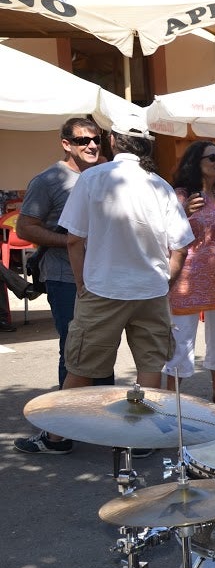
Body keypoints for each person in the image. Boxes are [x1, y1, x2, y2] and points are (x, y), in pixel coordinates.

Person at [16, 123, 195, 456]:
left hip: (103, 289)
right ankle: (140, 439)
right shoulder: (160, 185)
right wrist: (164, 282)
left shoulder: (93, 178)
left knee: (82, 366)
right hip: (150, 292)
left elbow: (74, 238)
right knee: (149, 366)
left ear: (113, 141)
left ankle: (56, 436)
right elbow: (180, 247)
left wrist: (82, 283)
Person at [13, 118, 116, 455]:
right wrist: (69, 241)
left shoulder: (108, 174)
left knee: (103, 349)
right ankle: (63, 430)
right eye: (82, 140)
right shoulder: (49, 180)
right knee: (73, 350)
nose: (91, 146)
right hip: (65, 279)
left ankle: (100, 422)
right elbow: (26, 228)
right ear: (65, 144)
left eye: (96, 140)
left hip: (105, 278)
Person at [163, 141, 215, 414]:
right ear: (195, 162)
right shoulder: (180, 195)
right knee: (181, 338)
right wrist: (184, 212)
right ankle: (171, 397)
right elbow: (165, 234)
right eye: (212, 157)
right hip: (187, 279)